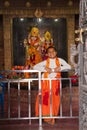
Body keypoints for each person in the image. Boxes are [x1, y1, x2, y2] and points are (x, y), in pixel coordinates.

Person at [33, 46, 71, 125]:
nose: (51, 53)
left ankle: (52, 117)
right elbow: (35, 66)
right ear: (47, 54)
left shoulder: (60, 60)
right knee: (44, 100)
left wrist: (59, 68)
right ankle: (46, 118)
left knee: (54, 100)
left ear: (56, 52)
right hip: (45, 84)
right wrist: (45, 69)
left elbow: (69, 67)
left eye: (53, 51)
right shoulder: (45, 62)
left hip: (55, 84)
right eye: (49, 52)